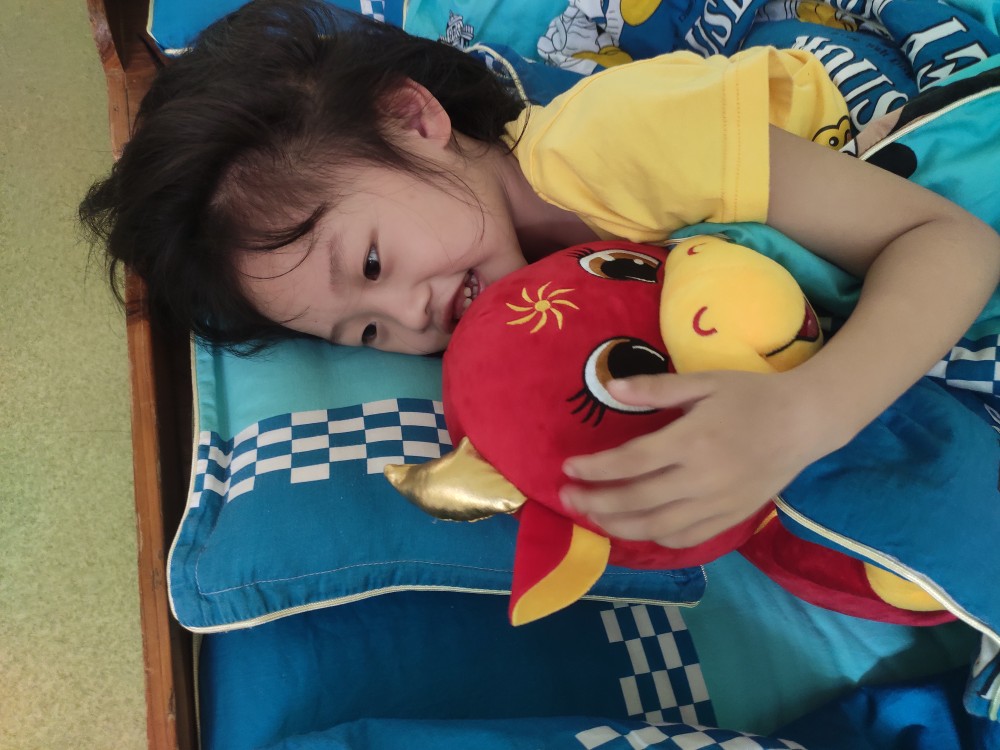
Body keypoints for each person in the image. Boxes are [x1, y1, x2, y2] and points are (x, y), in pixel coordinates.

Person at [80, 0, 1000, 553]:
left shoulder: (615, 145)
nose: (412, 316)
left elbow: (949, 242)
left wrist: (807, 414)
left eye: (371, 263)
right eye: (365, 332)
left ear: (414, 121)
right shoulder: (530, 314)